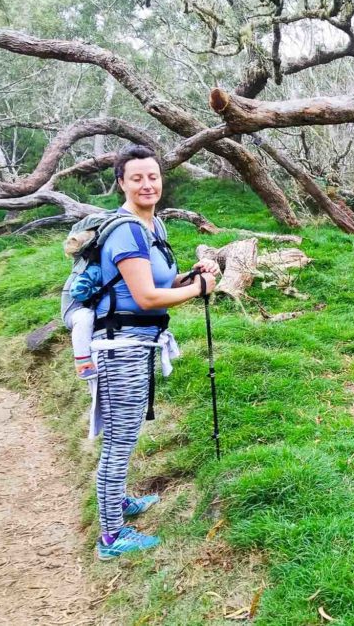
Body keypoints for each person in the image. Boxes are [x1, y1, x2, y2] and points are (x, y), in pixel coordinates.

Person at [90, 144, 220, 561]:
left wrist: (188, 277)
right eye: (137, 178)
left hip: (137, 343)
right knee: (120, 439)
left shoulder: (153, 225)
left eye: (153, 176)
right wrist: (199, 289)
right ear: (121, 184)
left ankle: (118, 502)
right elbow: (146, 297)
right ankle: (111, 537)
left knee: (125, 433)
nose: (147, 184)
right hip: (120, 347)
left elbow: (155, 282)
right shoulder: (126, 231)